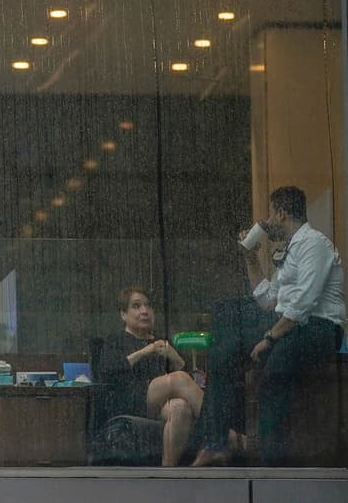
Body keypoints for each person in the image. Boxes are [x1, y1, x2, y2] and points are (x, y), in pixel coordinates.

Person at [192, 186, 346, 466]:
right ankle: (215, 440)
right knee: (224, 345)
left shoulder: (315, 244)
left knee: (271, 383)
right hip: (290, 324)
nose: (268, 221)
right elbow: (266, 299)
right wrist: (250, 256)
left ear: (281, 212)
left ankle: (271, 466)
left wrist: (269, 339)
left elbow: (303, 303)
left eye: (270, 214)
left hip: (318, 328)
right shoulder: (289, 251)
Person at [98, 286, 204, 466]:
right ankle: (220, 434)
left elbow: (188, 382)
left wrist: (175, 357)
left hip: (160, 403)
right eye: (136, 306)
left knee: (180, 408)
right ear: (124, 314)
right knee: (177, 379)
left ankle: (167, 471)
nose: (144, 311)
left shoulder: (161, 341)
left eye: (148, 306)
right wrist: (145, 351)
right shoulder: (115, 340)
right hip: (128, 399)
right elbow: (107, 370)